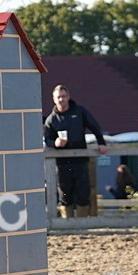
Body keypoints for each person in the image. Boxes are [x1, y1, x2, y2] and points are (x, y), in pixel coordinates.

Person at [42, 85, 107, 217]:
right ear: (54, 99)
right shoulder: (51, 119)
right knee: (65, 193)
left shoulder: (79, 111)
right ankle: (68, 223)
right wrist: (56, 143)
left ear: (68, 97)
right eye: (58, 97)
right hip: (62, 163)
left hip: (80, 160)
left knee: (83, 192)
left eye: (63, 96)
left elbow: (94, 126)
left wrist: (101, 143)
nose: (61, 99)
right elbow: (47, 139)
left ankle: (82, 222)